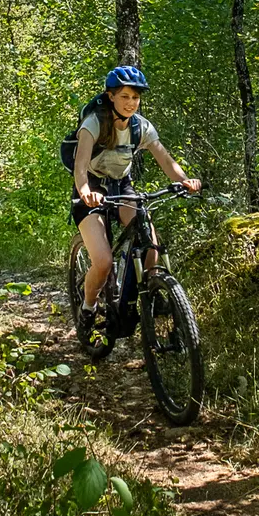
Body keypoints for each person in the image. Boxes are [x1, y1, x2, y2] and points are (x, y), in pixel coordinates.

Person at [71, 66, 201, 342]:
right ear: (111, 96)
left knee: (150, 243)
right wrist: (85, 192)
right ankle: (88, 307)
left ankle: (138, 301)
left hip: (121, 186)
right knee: (104, 262)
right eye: (125, 96)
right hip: (92, 189)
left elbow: (165, 158)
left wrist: (185, 180)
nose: (131, 103)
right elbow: (80, 166)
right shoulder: (94, 123)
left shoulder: (141, 126)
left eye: (136, 98)